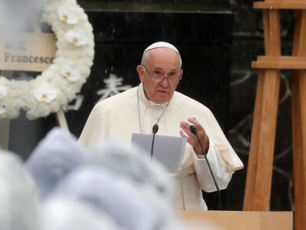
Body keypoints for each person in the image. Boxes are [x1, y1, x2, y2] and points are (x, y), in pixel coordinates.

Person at [79, 41, 244, 210]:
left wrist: (203, 148)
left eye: (172, 75)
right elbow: (83, 172)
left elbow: (217, 184)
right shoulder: (107, 111)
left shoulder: (198, 113)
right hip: (126, 214)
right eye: (157, 74)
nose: (165, 83)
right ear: (141, 73)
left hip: (181, 217)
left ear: (180, 74)